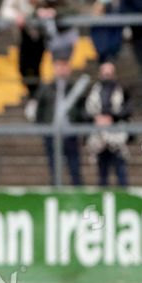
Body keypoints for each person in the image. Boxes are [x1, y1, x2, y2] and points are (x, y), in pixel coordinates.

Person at [34, 57, 86, 186]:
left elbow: (82, 110)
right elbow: (39, 110)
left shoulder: (74, 88)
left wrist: (78, 126)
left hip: (70, 134)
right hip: (52, 134)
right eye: (59, 66)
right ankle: (56, 191)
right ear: (54, 68)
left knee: (74, 166)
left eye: (64, 66)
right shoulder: (46, 88)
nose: (62, 69)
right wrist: (43, 128)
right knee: (54, 166)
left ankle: (78, 191)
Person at [84, 61, 130, 188]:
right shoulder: (93, 91)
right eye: (104, 73)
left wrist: (112, 117)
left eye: (109, 73)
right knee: (102, 172)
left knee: (120, 170)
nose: (107, 76)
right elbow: (85, 111)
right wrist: (97, 118)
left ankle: (124, 197)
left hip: (117, 136)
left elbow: (128, 109)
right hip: (98, 136)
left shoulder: (123, 90)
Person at [0, 0, 43, 100]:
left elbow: (31, 12)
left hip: (37, 37)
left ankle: (35, 95)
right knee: (22, 67)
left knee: (35, 66)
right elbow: (5, 11)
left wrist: (25, 0)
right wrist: (17, 15)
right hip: (23, 36)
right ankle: (31, 93)